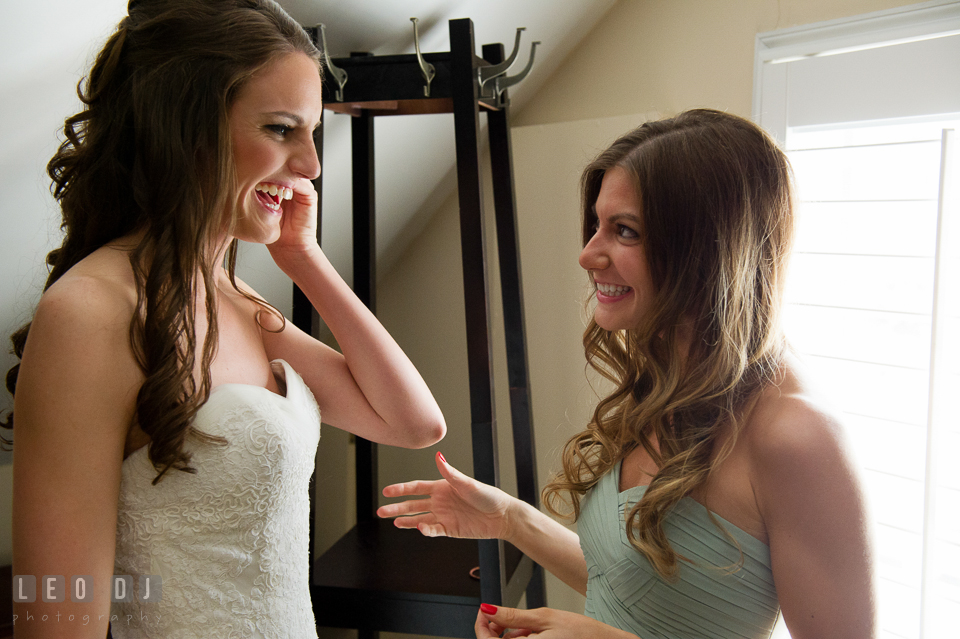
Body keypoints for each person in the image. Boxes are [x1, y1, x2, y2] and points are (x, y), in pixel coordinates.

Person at [5, 1, 446, 637]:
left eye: (312, 133)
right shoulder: (89, 313)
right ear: (185, 127)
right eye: (280, 129)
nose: (311, 166)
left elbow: (413, 422)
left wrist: (305, 259)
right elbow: (58, 620)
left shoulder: (231, 294)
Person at [377, 109, 876, 639]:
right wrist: (509, 519)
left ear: (707, 249)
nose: (588, 254)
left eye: (625, 231)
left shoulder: (797, 436)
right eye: (597, 225)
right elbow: (642, 590)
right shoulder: (669, 382)